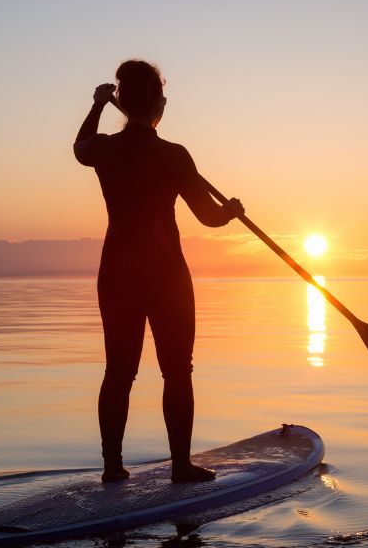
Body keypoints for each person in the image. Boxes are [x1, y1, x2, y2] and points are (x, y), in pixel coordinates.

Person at [73, 60, 244, 483]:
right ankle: (181, 465)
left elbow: (81, 146)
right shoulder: (174, 155)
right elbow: (207, 216)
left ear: (121, 102)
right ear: (158, 105)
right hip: (166, 275)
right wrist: (232, 212)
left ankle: (113, 468)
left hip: (117, 274)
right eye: (163, 98)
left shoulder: (106, 150)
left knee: (118, 372)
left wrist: (95, 105)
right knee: (177, 371)